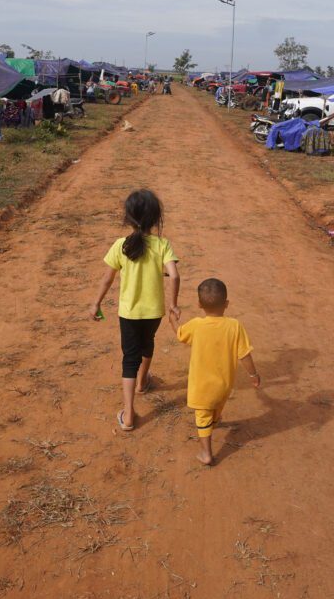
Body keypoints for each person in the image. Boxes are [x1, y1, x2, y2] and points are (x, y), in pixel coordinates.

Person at [89, 189, 180, 431]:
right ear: (156, 218)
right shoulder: (162, 245)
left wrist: (96, 303)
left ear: (128, 218)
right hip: (153, 312)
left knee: (129, 357)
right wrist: (173, 305)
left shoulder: (120, 245)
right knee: (147, 342)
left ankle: (129, 415)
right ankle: (142, 382)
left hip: (128, 313)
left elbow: (107, 280)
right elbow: (174, 274)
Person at [176, 278, 259, 466]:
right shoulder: (235, 326)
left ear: (199, 304)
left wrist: (173, 320)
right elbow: (245, 354)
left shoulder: (196, 325)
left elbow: (180, 334)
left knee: (203, 417)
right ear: (226, 304)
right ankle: (215, 421)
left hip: (201, 387)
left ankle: (207, 453)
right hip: (224, 386)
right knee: (216, 408)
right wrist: (254, 375)